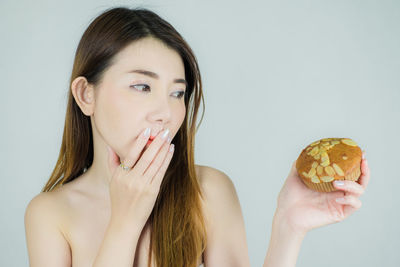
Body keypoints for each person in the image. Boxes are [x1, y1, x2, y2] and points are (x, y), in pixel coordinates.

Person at [24, 7, 370, 267]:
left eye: (177, 93)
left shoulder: (209, 191)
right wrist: (125, 222)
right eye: (142, 86)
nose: (165, 112)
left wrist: (288, 226)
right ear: (86, 95)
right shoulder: (49, 214)